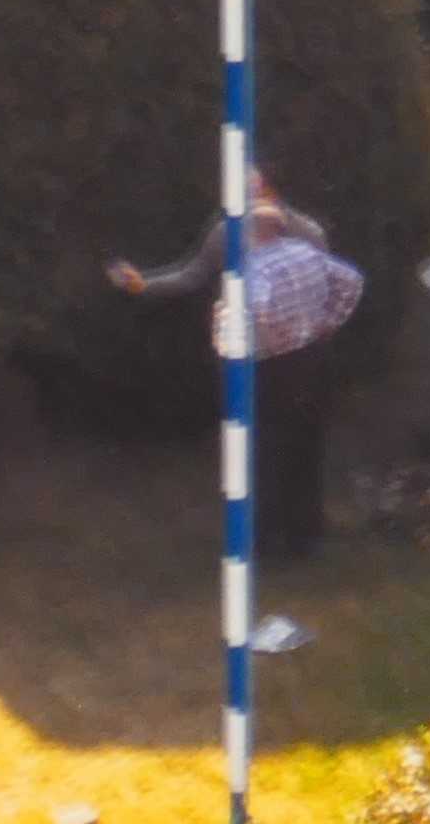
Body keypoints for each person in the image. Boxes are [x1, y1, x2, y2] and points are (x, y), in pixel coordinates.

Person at [112, 178, 364, 568]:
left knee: (277, 449)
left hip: (274, 364)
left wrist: (235, 331)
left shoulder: (293, 242)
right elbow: (346, 280)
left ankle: (280, 540)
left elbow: (258, 303)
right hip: (304, 356)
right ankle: (295, 538)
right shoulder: (245, 235)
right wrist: (325, 322)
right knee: (287, 448)